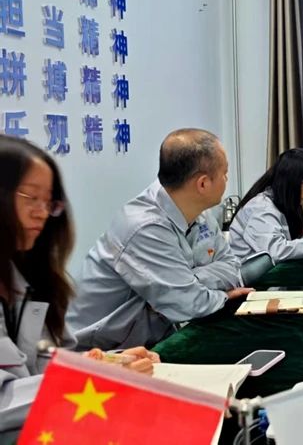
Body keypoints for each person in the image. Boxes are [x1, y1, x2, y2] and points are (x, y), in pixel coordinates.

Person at [0, 136, 156, 434]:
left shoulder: (28, 278)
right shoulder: (144, 224)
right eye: (30, 197)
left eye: (49, 202)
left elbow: (42, 363)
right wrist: (97, 376)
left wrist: (108, 364)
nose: (41, 212)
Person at [67, 129, 252, 350]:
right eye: (225, 173)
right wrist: (219, 296)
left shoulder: (200, 213)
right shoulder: (144, 227)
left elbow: (232, 267)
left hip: (148, 340)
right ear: (203, 184)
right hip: (95, 352)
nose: (226, 180)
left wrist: (188, 281)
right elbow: (189, 303)